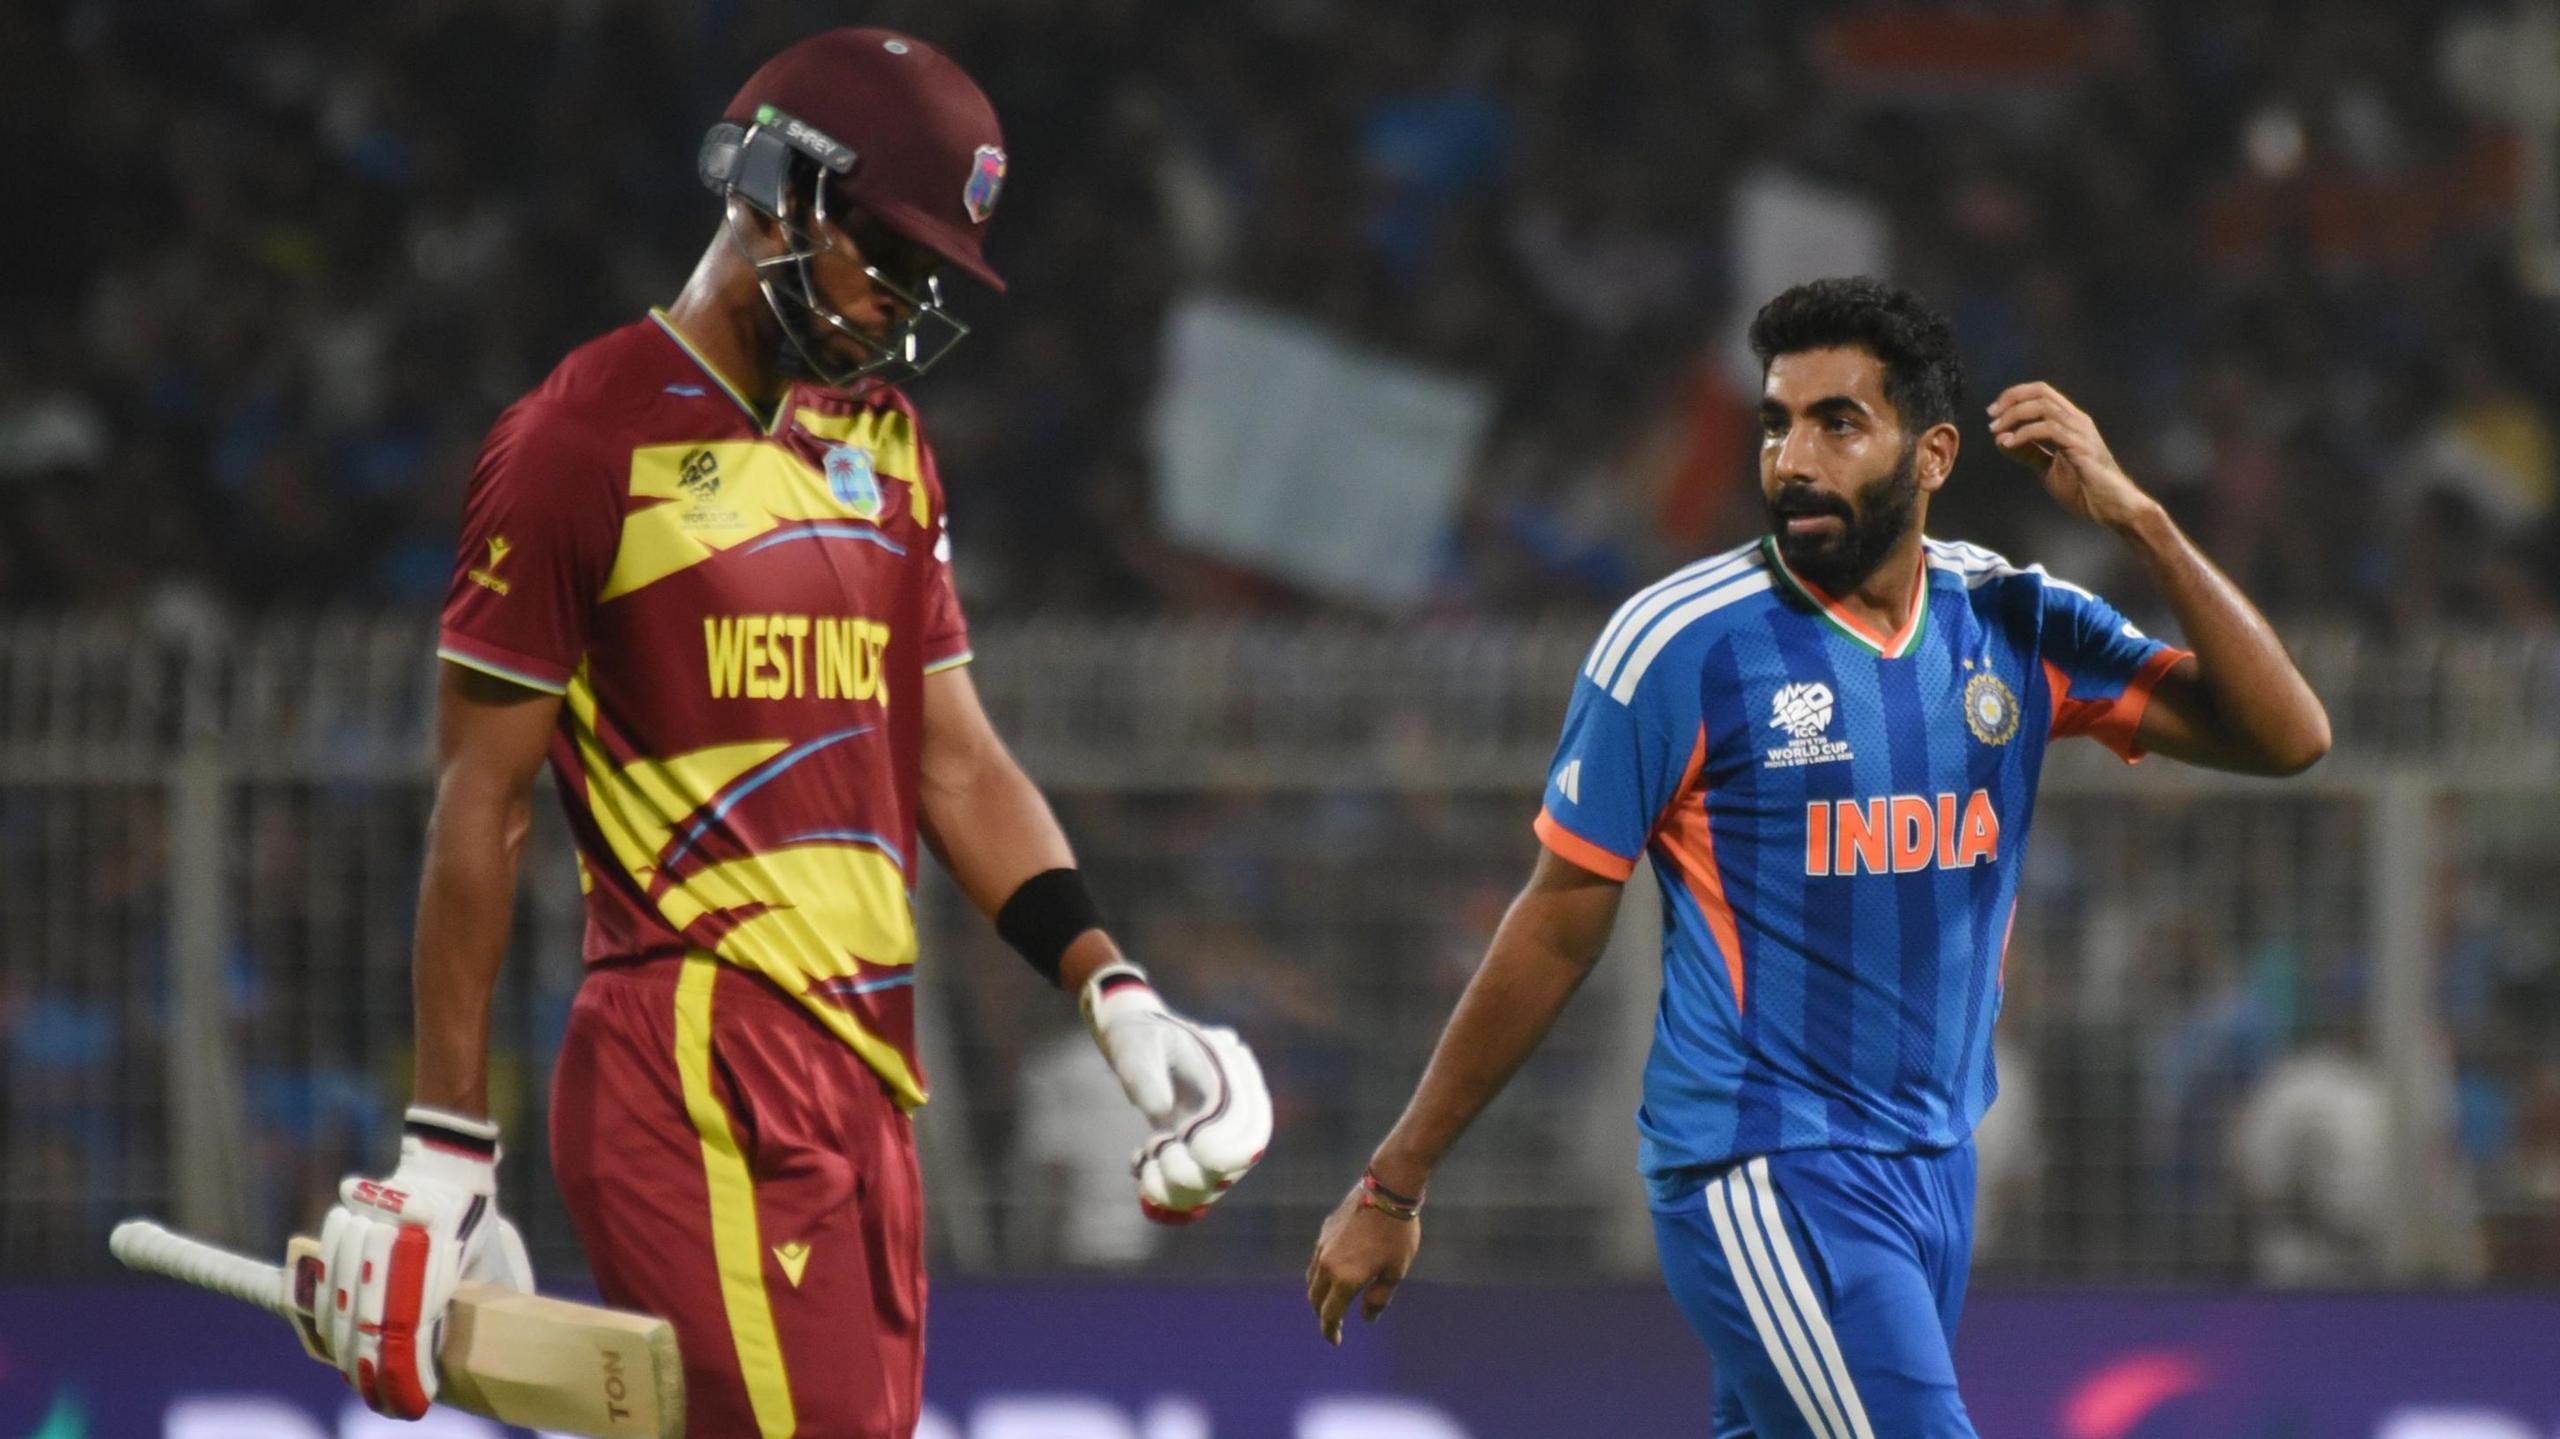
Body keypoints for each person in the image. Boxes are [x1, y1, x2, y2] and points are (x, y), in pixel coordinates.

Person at [310, 29, 1271, 1437]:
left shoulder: (887, 443)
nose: (906, 302)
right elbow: (481, 799)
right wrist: (447, 1138)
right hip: (694, 1057)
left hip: (867, 1078)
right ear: (779, 186)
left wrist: (1110, 986)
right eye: (891, 253)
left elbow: (955, 758)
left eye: (934, 274)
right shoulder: (578, 438)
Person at [1307, 276, 2329, 1434]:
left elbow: (2288, 735)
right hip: (1765, 1168)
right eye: (1776, 423)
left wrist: (2140, 521)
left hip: (1933, 1171)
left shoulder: (2012, 618)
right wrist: (1394, 1180)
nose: (1792, 459)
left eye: (1837, 423)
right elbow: (1555, 920)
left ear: (1932, 454)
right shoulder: (1680, 644)